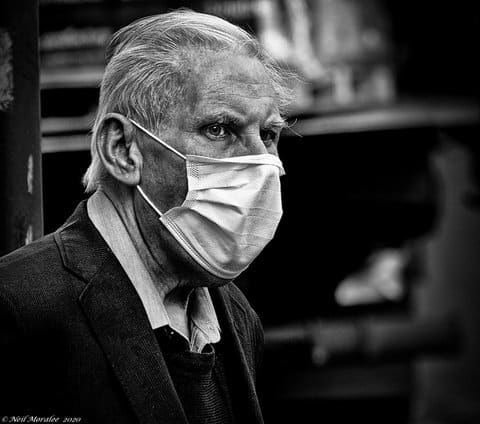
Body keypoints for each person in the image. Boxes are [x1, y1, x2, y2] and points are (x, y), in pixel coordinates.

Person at [0, 9, 292, 423]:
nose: (261, 164)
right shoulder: (18, 310)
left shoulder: (236, 317)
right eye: (220, 130)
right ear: (122, 150)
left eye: (268, 135)